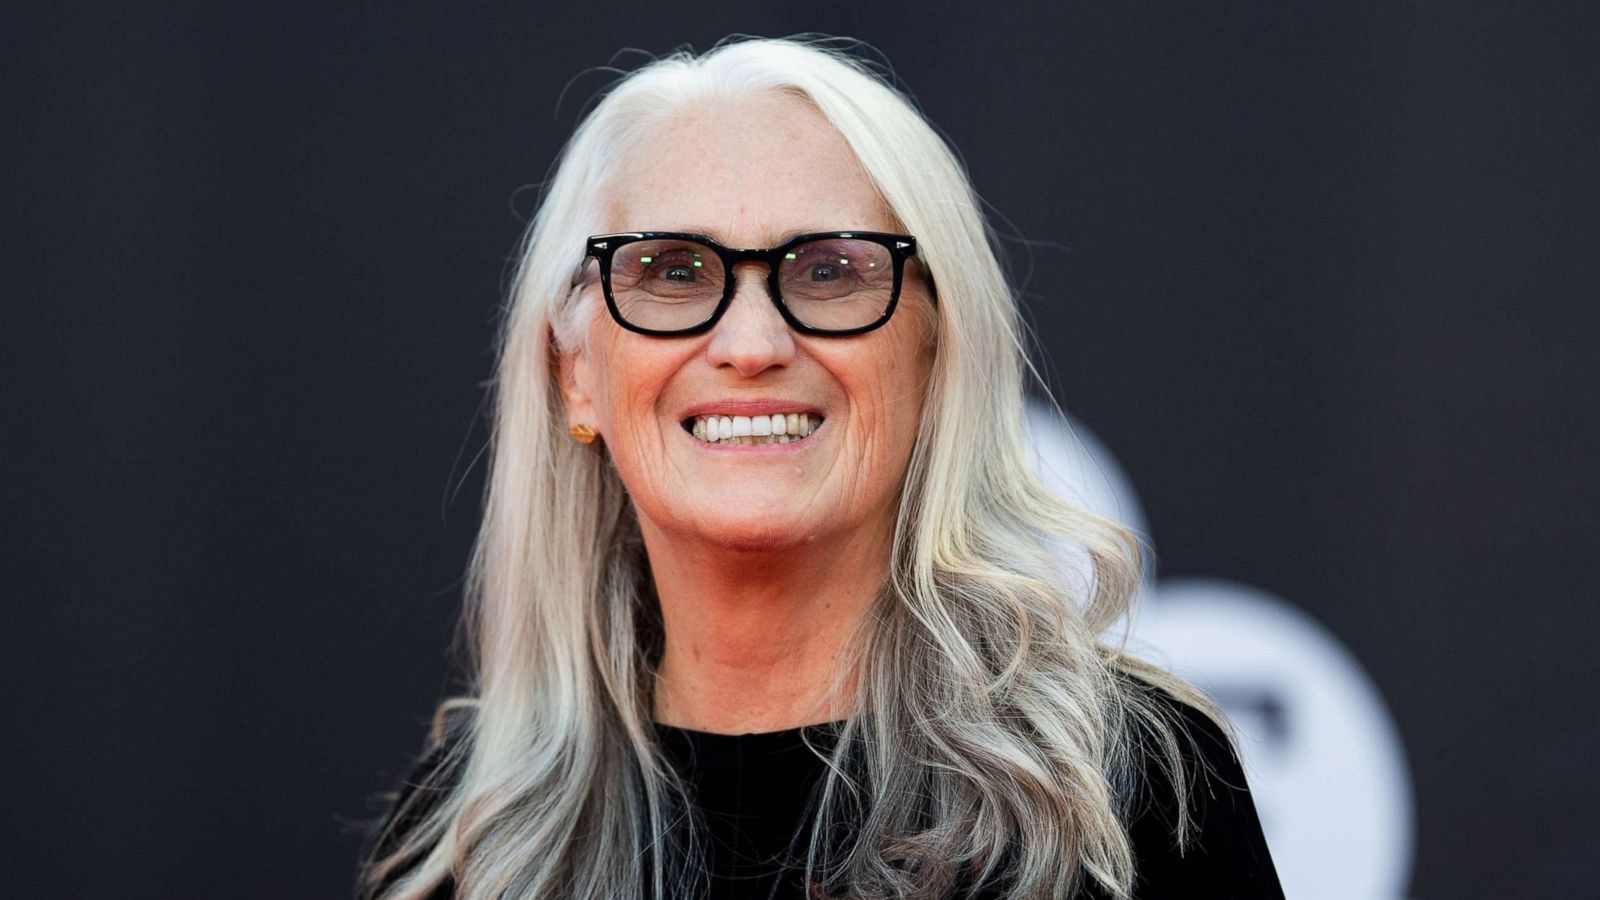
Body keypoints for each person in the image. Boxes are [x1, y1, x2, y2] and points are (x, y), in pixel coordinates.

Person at [357, 36, 1284, 900]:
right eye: (672, 272)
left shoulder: (1128, 793)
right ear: (577, 377)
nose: (752, 342)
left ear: (933, 354)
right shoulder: (468, 833)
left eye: (831, 270)